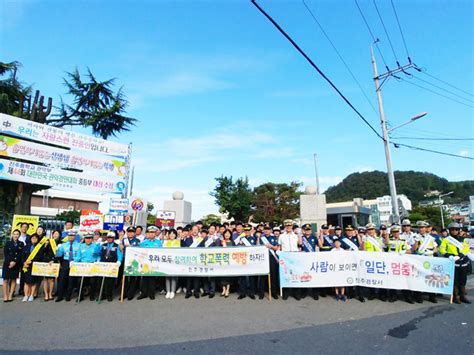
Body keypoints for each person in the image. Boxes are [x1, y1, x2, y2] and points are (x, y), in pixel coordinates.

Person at [439, 222, 471, 304]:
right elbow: (441, 249)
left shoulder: (462, 239)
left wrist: (460, 255)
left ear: (459, 230)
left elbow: (466, 248)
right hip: (452, 261)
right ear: (449, 231)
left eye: (456, 229)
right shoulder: (446, 240)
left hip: (462, 261)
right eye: (452, 229)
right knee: (455, 280)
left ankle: (462, 296)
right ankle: (455, 296)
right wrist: (448, 255)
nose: (454, 231)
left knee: (463, 279)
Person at [385, 225, 414, 304]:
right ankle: (393, 296)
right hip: (393, 263)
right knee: (393, 280)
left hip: (403, 263)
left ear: (399, 232)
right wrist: (387, 232)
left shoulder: (403, 240)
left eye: (397, 232)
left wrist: (404, 252)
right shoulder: (390, 240)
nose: (396, 234)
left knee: (405, 279)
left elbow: (410, 251)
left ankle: (407, 296)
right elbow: (387, 243)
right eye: (394, 232)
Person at [413, 220, 439, 303]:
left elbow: (436, 247)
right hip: (420, 259)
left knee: (431, 277)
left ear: (426, 228)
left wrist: (432, 252)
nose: (421, 229)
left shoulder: (431, 238)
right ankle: (418, 296)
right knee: (419, 278)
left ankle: (432, 296)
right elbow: (414, 249)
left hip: (429, 259)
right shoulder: (415, 237)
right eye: (420, 227)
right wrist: (416, 241)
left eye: (423, 227)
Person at [55, 230, 82, 302]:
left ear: (75, 236)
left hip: (74, 262)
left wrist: (74, 261)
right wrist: (58, 250)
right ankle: (60, 296)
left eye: (72, 236)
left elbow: (79, 256)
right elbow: (59, 255)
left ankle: (68, 295)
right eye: (69, 236)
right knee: (62, 279)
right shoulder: (64, 244)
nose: (71, 237)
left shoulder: (79, 245)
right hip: (66, 262)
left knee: (71, 280)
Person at [340, 225, 365, 302]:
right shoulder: (343, 239)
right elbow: (340, 249)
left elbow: (361, 247)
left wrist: (358, 235)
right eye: (348, 231)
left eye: (351, 231)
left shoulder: (356, 238)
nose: (349, 232)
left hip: (356, 261)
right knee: (349, 277)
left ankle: (360, 295)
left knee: (358, 277)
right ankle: (350, 294)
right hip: (347, 261)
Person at [137, 226, 162, 300]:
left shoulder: (159, 242)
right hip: (145, 263)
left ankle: (151, 293)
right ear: (148, 234)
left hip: (154, 263)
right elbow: (139, 252)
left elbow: (161, 252)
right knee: (144, 278)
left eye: (153, 232)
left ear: (155, 234)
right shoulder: (144, 242)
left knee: (152, 278)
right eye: (150, 232)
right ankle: (144, 293)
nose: (151, 234)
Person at [362, 223, 386, 301]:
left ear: (374, 230)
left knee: (381, 277)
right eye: (369, 230)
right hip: (370, 261)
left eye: (372, 229)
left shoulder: (379, 239)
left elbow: (383, 248)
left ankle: (382, 294)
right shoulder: (365, 239)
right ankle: (372, 293)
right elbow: (363, 250)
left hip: (379, 260)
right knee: (371, 277)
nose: (371, 231)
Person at [279, 219, 301, 300]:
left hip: (294, 256)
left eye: (290, 226)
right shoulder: (281, 236)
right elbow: (280, 247)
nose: (288, 227)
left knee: (295, 275)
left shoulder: (295, 235)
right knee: (286, 275)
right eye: (287, 226)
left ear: (292, 226)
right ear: (285, 227)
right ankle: (286, 293)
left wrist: (299, 235)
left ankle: (296, 293)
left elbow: (299, 245)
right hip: (285, 257)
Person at [99, 231, 123, 301]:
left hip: (112, 265)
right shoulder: (103, 245)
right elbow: (98, 253)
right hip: (103, 265)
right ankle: (102, 295)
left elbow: (119, 254)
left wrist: (119, 261)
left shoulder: (117, 246)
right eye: (108, 237)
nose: (109, 239)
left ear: (114, 238)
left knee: (110, 282)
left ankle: (109, 295)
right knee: (102, 281)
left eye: (111, 238)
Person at [3, 229, 25, 302]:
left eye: (17, 234)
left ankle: (10, 295)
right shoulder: (8, 243)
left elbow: (20, 254)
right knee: (5, 280)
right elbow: (6, 254)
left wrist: (15, 262)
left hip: (16, 264)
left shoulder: (21, 244)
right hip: (7, 264)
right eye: (14, 234)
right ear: (12, 235)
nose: (16, 235)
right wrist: (10, 262)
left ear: (19, 235)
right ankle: (5, 295)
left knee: (13, 280)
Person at [237, 224, 257, 300]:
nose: (247, 232)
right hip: (243, 260)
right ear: (243, 231)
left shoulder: (254, 238)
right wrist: (240, 244)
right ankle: (242, 293)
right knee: (243, 277)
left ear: (250, 231)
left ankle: (252, 293)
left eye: (248, 230)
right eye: (245, 230)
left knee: (251, 277)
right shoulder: (241, 239)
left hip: (251, 260)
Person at [78, 232, 101, 301]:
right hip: (83, 265)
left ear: (92, 239)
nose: (88, 240)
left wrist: (97, 261)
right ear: (84, 239)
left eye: (90, 238)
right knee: (80, 281)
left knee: (93, 282)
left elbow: (99, 255)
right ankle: (80, 296)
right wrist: (74, 261)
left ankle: (92, 295)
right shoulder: (81, 246)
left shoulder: (96, 246)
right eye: (86, 238)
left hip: (92, 265)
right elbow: (78, 256)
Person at [259, 225, 279, 299]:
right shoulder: (261, 238)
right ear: (263, 230)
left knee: (273, 276)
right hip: (263, 258)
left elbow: (276, 248)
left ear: (271, 230)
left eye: (268, 229)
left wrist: (270, 246)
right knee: (262, 276)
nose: (266, 231)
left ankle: (274, 292)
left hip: (272, 257)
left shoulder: (274, 238)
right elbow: (257, 246)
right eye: (265, 229)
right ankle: (261, 293)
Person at [183, 225, 203, 299]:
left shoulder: (201, 239)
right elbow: (184, 248)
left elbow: (203, 249)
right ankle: (188, 292)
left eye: (196, 230)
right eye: (193, 229)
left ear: (198, 231)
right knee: (189, 277)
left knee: (196, 277)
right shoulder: (187, 239)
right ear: (191, 231)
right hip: (189, 260)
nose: (195, 231)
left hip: (197, 260)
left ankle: (196, 292)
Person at [300, 224, 319, 300]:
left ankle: (315, 293)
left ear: (311, 231)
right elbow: (299, 245)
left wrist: (318, 236)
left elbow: (320, 245)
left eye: (309, 230)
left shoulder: (314, 237)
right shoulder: (301, 238)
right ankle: (304, 292)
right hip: (304, 258)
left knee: (314, 276)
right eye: (306, 230)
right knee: (304, 274)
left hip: (312, 258)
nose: (307, 231)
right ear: (304, 231)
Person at [121, 226, 141, 300]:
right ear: (127, 232)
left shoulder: (138, 241)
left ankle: (130, 294)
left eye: (132, 232)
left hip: (133, 261)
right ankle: (124, 293)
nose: (130, 233)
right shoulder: (124, 240)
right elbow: (121, 250)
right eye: (129, 232)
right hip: (125, 260)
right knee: (124, 278)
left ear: (135, 233)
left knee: (132, 278)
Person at [38, 235, 59, 301]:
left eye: (57, 233)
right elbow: (41, 252)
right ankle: (46, 294)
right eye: (54, 233)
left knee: (52, 280)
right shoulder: (44, 242)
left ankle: (50, 293)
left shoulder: (58, 243)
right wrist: (45, 245)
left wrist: (54, 260)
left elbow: (58, 254)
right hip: (45, 262)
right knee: (45, 279)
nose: (55, 235)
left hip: (53, 262)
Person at [21, 234, 42, 302]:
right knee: (26, 282)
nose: (34, 239)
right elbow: (22, 256)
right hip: (26, 266)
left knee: (34, 281)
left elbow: (39, 257)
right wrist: (24, 262)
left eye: (36, 238)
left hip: (34, 266)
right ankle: (26, 295)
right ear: (30, 239)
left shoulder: (39, 247)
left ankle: (32, 295)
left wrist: (31, 261)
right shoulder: (26, 247)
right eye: (33, 238)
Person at [201, 228, 217, 298]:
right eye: (210, 229)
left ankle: (212, 291)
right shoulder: (205, 238)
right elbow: (201, 246)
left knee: (212, 276)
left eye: (213, 229)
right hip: (204, 259)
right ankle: (206, 290)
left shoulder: (217, 238)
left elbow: (218, 246)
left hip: (212, 259)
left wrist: (214, 240)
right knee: (205, 276)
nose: (212, 230)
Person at [164, 229, 179, 299]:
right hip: (167, 261)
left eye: (173, 233)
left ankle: (173, 291)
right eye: (170, 234)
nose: (172, 235)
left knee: (173, 277)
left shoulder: (178, 242)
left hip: (174, 262)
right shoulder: (166, 242)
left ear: (175, 235)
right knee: (167, 277)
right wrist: (164, 240)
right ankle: (168, 291)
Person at [220, 229, 235, 298]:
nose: (227, 235)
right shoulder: (221, 241)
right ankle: (223, 289)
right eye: (225, 233)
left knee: (228, 276)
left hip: (230, 261)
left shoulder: (232, 242)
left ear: (230, 235)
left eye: (228, 233)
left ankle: (227, 290)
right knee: (222, 275)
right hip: (222, 261)